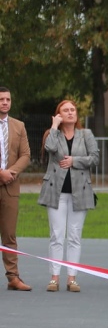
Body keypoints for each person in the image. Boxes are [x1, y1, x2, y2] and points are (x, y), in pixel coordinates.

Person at [39, 100, 98, 292]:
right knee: (56, 235)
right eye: (66, 110)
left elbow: (94, 158)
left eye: (73, 110)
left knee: (74, 236)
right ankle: (54, 277)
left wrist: (75, 161)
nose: (70, 113)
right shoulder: (53, 134)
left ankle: (72, 277)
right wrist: (54, 126)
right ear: (58, 114)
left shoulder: (86, 134)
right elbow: (50, 149)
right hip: (56, 191)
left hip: (79, 191)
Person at [0, 87, 33, 291]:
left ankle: (13, 277)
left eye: (7, 99)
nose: (5, 102)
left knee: (9, 235)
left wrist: (9, 173)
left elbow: (26, 155)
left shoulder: (18, 126)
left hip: (10, 187)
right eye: (1, 99)